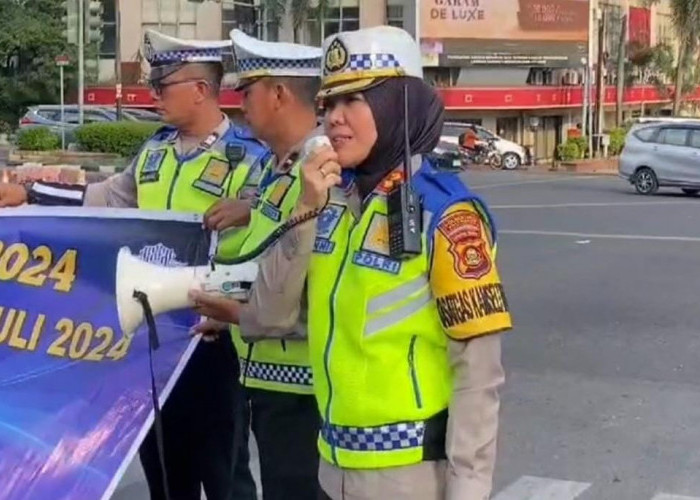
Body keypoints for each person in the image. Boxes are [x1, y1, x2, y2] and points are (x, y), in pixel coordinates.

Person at [191, 25, 513, 500]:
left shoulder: (444, 216)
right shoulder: (329, 205)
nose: (335, 120)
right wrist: (303, 211)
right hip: (330, 467)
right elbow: (266, 319)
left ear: (395, 104)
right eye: (330, 105)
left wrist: (468, 490)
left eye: (355, 101)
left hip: (411, 477)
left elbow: (478, 375)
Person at [0, 30, 263, 500]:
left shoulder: (252, 161)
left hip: (214, 341)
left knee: (225, 476)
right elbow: (102, 202)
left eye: (163, 87)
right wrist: (31, 195)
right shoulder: (154, 152)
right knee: (163, 471)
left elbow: (273, 244)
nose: (152, 97)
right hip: (151, 341)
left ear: (201, 90)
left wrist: (251, 208)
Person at [193, 30, 325, 500]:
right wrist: (228, 306)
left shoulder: (322, 171)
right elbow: (265, 258)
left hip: (302, 381)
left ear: (279, 94)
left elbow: (313, 280)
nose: (239, 102)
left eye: (247, 91)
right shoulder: (279, 168)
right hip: (265, 369)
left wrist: (236, 311)